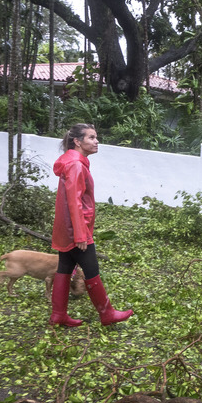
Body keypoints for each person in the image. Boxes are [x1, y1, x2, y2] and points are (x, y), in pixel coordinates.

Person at [49, 123, 134, 327]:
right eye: (91, 138)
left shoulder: (73, 162)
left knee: (65, 268)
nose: (97, 141)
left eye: (96, 137)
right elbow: (74, 202)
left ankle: (58, 315)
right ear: (77, 141)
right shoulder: (76, 165)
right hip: (76, 230)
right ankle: (107, 313)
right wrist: (80, 235)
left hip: (66, 229)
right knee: (91, 269)